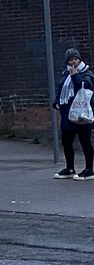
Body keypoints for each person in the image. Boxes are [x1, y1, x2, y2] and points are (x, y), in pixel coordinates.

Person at [53, 48, 94, 180]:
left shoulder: (86, 73)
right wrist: (56, 102)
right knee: (66, 142)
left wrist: (75, 75)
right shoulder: (65, 74)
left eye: (76, 59)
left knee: (85, 141)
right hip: (67, 115)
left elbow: (85, 87)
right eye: (71, 60)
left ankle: (89, 169)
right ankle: (70, 168)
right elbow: (61, 89)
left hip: (81, 114)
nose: (74, 62)